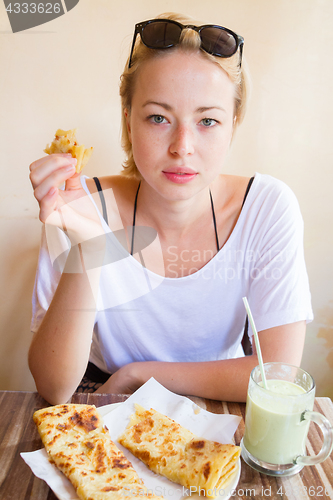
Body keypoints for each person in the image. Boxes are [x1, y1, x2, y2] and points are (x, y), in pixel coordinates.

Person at [28, 13, 313, 405]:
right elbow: (53, 388)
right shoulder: (78, 204)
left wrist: (142, 375)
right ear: (128, 122)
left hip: (219, 404)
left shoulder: (268, 208)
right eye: (159, 118)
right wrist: (89, 246)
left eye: (208, 121)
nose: (183, 146)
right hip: (104, 401)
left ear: (233, 123)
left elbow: (278, 376)